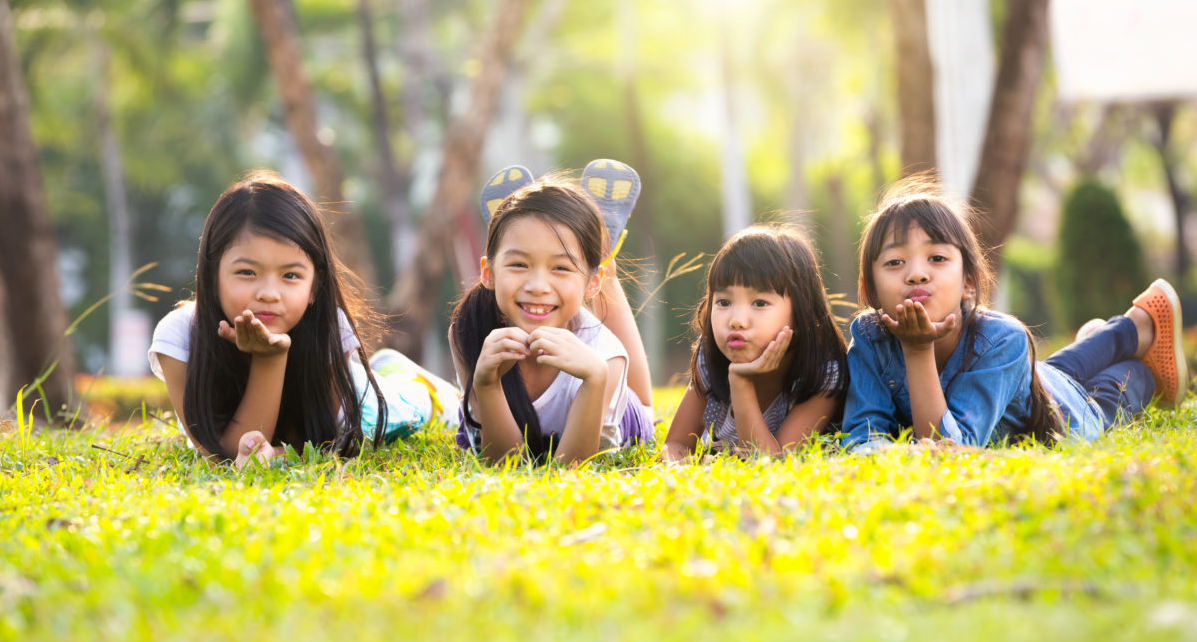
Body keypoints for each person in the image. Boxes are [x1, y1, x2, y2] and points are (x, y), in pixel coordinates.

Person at [840, 176, 1189, 450]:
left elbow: (945, 448)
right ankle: (1118, 332)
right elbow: (860, 437)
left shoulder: (1001, 338)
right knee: (1049, 372)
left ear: (969, 284)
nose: (916, 273)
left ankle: (1136, 337)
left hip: (1068, 413)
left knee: (1122, 385)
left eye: (937, 258)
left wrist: (917, 350)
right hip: (1034, 378)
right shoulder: (870, 338)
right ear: (870, 291)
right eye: (895, 262)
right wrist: (890, 451)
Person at [148, 170, 454, 467]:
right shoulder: (179, 336)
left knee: (416, 408)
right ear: (212, 275)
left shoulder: (327, 328)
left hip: (365, 406)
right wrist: (270, 360)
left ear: (314, 286)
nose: (269, 293)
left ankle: (415, 382)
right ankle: (385, 367)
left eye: (290, 275)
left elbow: (332, 442)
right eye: (247, 272)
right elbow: (222, 457)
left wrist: (272, 358)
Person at [449, 160, 654, 463]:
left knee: (645, 407)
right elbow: (505, 464)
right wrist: (487, 384)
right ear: (488, 273)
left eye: (560, 267)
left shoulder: (604, 357)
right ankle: (568, 239)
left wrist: (594, 379)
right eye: (519, 264)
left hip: (613, 414)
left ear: (590, 284)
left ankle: (602, 254)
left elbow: (571, 470)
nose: (537, 286)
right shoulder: (469, 331)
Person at [661, 224, 849, 460]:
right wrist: (677, 472)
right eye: (724, 302)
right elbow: (677, 443)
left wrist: (740, 382)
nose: (737, 321)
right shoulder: (710, 357)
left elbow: (771, 464)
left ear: (801, 312)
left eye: (760, 303)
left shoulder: (823, 374)